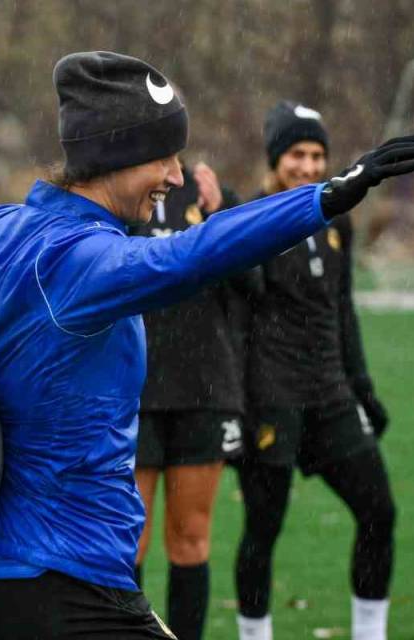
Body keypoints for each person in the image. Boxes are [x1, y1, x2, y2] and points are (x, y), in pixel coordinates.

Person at [0, 51, 414, 639]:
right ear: (114, 157)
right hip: (69, 589)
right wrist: (322, 198)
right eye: (163, 158)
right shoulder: (81, 259)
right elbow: (191, 256)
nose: (175, 177)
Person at [233, 101, 397, 640]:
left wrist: (362, 387)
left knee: (379, 511)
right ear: (275, 159)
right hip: (271, 398)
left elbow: (342, 310)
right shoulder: (250, 219)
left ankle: (369, 633)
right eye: (297, 154)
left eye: (317, 155)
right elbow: (237, 317)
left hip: (329, 394)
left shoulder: (336, 220)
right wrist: (235, 406)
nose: (308, 166)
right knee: (263, 529)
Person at [130, 161, 257, 640]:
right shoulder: (117, 195)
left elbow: (253, 286)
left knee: (190, 539)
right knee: (128, 545)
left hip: (203, 392)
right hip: (133, 394)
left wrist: (222, 215)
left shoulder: (209, 194)